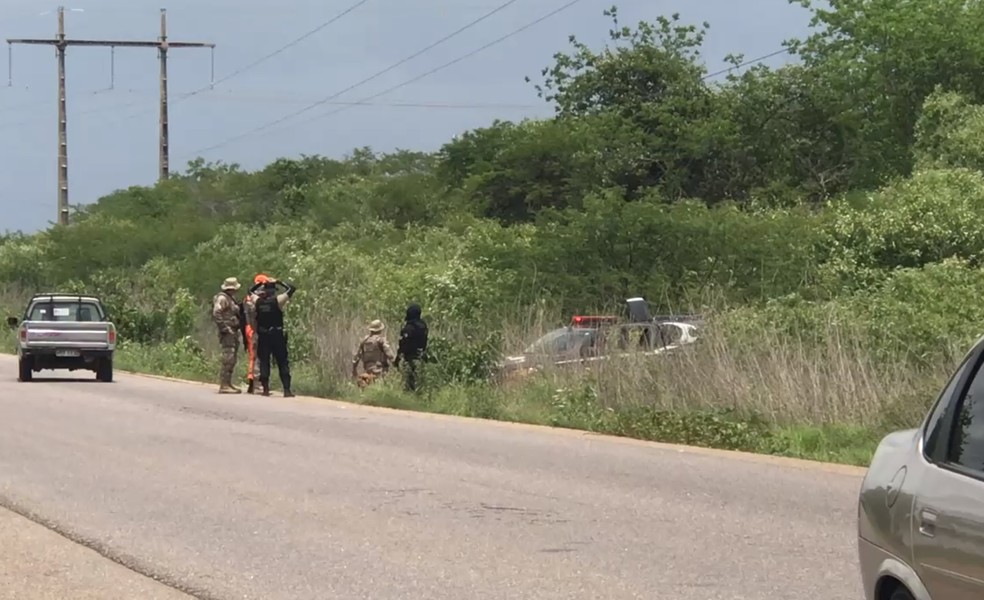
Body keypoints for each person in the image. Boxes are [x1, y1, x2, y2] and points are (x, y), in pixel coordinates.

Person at [245, 275, 296, 397]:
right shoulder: (278, 301)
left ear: (265, 291)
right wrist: (279, 281)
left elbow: (249, 291)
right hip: (277, 334)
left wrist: (262, 283)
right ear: (274, 291)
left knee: (264, 362)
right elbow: (292, 288)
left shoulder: (258, 301)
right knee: (282, 362)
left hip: (263, 335)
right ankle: (286, 390)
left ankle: (265, 389)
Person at [211, 277, 243, 394]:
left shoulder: (231, 299)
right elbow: (216, 313)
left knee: (232, 357)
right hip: (228, 332)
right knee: (228, 356)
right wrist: (225, 328)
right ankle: (224, 384)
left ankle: (228, 383)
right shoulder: (222, 298)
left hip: (233, 331)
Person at [239, 274, 267, 394]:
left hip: (249, 328)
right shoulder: (254, 299)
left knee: (253, 357)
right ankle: (256, 384)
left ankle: (252, 384)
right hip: (253, 329)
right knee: (256, 357)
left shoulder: (249, 298)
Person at [351, 319, 396, 387]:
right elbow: (390, 354)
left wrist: (354, 369)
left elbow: (357, 356)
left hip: (368, 369)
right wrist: (396, 364)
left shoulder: (364, 341)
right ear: (380, 329)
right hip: (380, 369)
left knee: (370, 386)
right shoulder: (381, 340)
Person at [394, 303, 428, 392]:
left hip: (410, 357)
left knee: (409, 381)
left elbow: (403, 344)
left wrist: (397, 359)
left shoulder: (409, 328)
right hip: (421, 356)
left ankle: (409, 396)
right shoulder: (423, 326)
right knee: (419, 380)